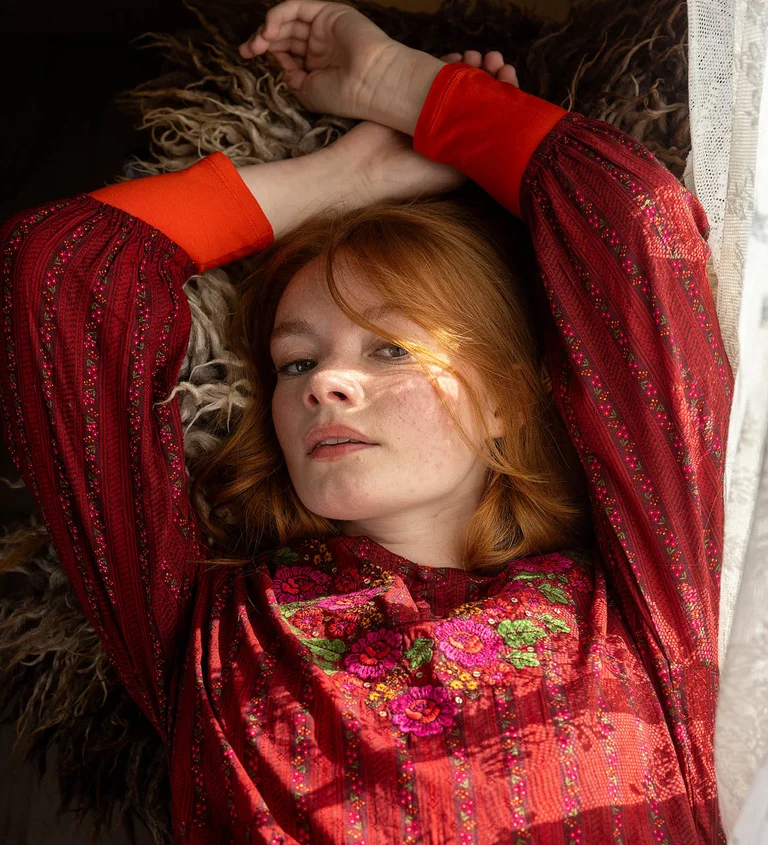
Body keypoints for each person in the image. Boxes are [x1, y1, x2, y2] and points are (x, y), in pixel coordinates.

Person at [0, 1, 733, 842]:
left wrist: (417, 93)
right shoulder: (210, 633)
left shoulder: (643, 601)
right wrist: (354, 176)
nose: (328, 385)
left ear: (506, 399)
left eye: (388, 349)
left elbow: (635, 221)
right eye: (296, 361)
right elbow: (57, 273)